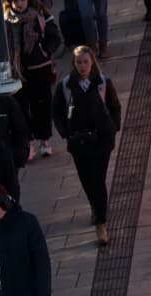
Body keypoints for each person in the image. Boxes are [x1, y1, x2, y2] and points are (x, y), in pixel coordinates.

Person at [52, 46, 123, 245]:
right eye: (78, 62)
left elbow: (115, 106)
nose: (82, 66)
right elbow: (56, 111)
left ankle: (101, 223)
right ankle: (95, 205)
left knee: (98, 179)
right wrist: (66, 132)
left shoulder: (102, 82)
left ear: (92, 62)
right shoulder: (66, 86)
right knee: (86, 179)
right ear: (73, 64)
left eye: (85, 62)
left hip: (101, 140)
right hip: (79, 142)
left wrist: (113, 127)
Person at [4, 0, 61, 161]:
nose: (19, 4)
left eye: (22, 0)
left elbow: (54, 37)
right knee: (21, 108)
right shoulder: (6, 21)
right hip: (17, 73)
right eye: (15, 1)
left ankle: (44, 141)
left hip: (39, 67)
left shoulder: (39, 16)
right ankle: (28, 143)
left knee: (41, 105)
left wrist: (45, 51)